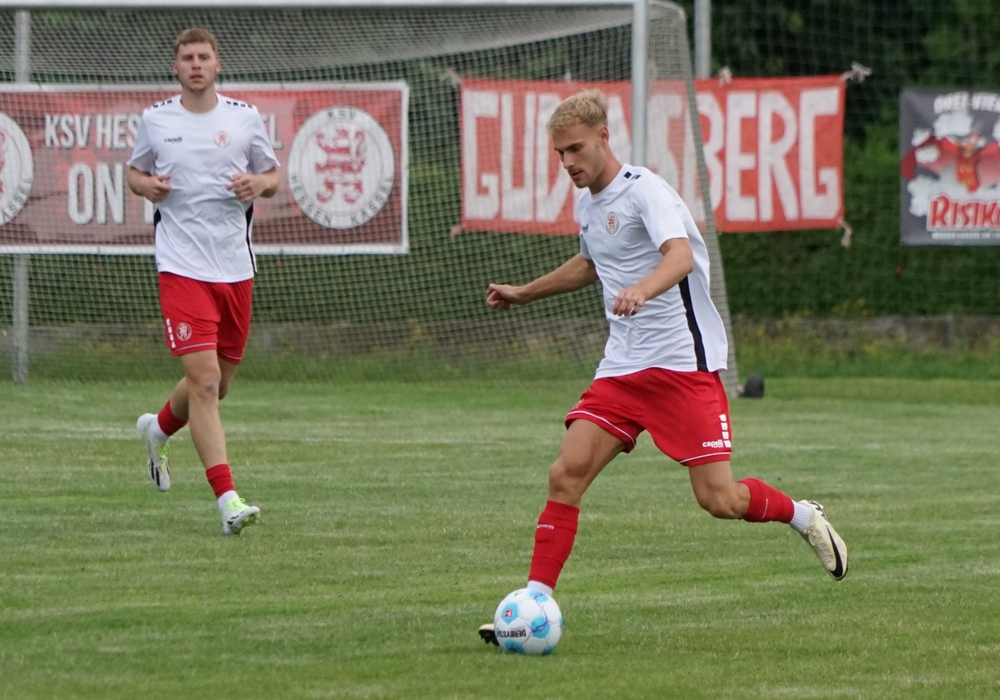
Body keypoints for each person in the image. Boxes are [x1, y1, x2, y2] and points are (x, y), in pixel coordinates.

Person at [478, 89, 847, 644]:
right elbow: (590, 262)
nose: (568, 163)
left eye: (575, 149)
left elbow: (678, 256)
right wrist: (524, 292)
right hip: (623, 368)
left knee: (718, 499)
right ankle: (533, 604)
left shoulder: (645, 190)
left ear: (603, 137)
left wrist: (642, 290)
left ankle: (802, 515)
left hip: (681, 367)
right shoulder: (588, 204)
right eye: (559, 154)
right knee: (565, 474)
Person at [128, 27, 280, 536]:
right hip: (180, 266)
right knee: (206, 382)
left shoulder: (244, 118)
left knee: (219, 385)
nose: (196, 64)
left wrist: (258, 183)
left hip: (235, 268)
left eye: (204, 57)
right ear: (175, 67)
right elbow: (133, 173)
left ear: (218, 65)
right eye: (188, 57)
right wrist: (146, 186)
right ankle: (228, 502)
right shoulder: (156, 119)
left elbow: (273, 177)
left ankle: (158, 429)